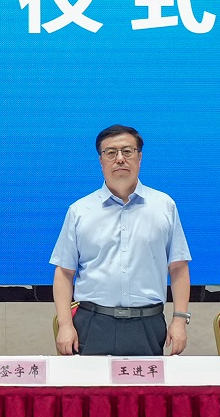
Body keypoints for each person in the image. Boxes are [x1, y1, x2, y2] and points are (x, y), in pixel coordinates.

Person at [51, 124, 192, 357]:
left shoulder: (164, 206)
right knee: (89, 382)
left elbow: (178, 267)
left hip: (148, 323)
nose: (119, 159)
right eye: (110, 153)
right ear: (100, 160)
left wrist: (179, 319)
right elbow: (64, 272)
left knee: (146, 383)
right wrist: (65, 324)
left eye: (127, 151)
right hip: (93, 323)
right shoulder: (80, 211)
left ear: (139, 157)